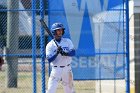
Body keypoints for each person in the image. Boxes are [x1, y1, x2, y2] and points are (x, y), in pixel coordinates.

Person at [45, 22, 76, 93]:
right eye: (58, 30)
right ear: (54, 32)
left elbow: (73, 53)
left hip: (67, 69)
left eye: (61, 30)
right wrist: (56, 53)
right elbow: (49, 59)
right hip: (56, 70)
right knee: (50, 90)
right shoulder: (50, 45)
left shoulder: (67, 41)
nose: (60, 32)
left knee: (69, 90)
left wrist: (65, 53)